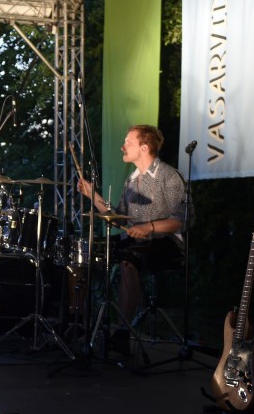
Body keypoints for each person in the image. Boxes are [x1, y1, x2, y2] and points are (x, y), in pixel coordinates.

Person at [77, 125, 186, 327]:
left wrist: (148, 227)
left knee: (128, 260)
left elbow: (181, 220)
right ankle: (77, 321)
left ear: (144, 148)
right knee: (83, 250)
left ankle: (122, 331)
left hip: (166, 243)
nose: (122, 147)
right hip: (134, 240)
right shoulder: (132, 180)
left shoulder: (169, 176)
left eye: (128, 142)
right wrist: (92, 195)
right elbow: (118, 218)